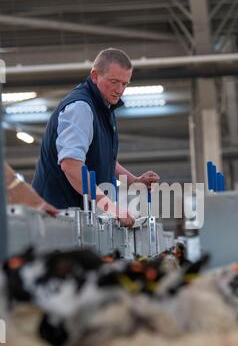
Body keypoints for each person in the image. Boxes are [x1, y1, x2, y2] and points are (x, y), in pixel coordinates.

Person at [32, 48, 160, 227]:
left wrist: (133, 181)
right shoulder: (80, 108)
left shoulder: (103, 107)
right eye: (114, 82)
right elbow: (71, 165)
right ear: (94, 76)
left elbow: (100, 154)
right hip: (58, 217)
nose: (119, 90)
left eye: (125, 84)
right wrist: (111, 208)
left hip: (78, 217)